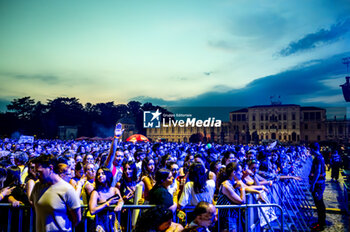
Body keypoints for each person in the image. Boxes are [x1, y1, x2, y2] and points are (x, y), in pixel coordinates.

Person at [30, 154, 81, 232]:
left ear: (51, 168)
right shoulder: (38, 186)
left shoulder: (67, 189)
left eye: (40, 172)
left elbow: (77, 218)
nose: (37, 176)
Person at [89, 167, 124, 232]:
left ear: (108, 175)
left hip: (113, 221)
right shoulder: (95, 192)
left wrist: (120, 204)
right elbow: (92, 211)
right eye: (98, 174)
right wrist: (108, 203)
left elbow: (120, 200)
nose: (100, 176)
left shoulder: (114, 190)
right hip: (100, 222)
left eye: (103, 173)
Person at [308, 142, 326, 231]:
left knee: (319, 204)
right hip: (320, 184)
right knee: (320, 204)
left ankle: (320, 225)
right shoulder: (319, 157)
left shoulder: (318, 158)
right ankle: (321, 222)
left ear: (312, 149)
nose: (309, 151)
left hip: (318, 184)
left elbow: (317, 172)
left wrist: (313, 184)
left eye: (309, 149)